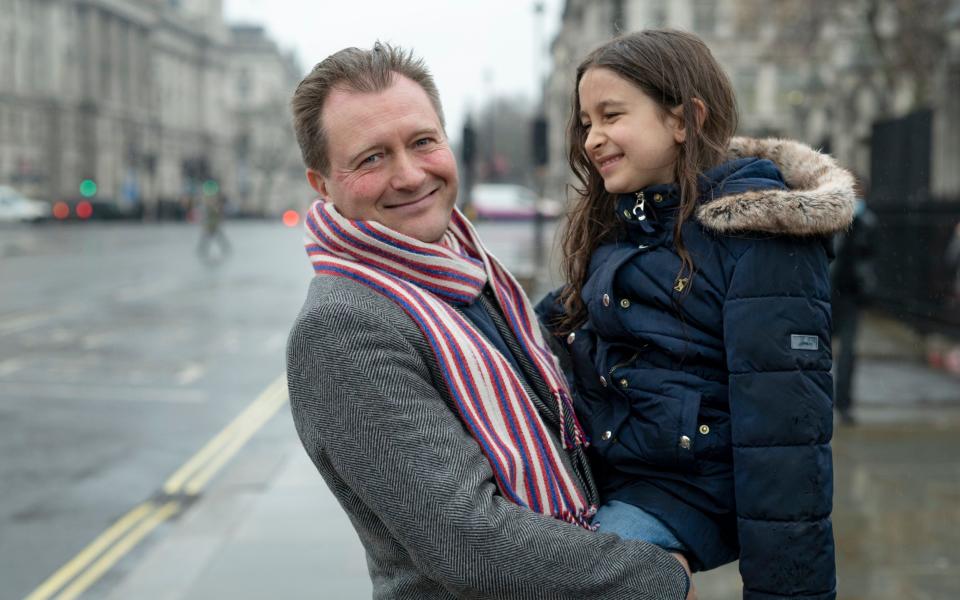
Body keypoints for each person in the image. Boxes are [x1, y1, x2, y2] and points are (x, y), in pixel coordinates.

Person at [285, 42, 690, 599]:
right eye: (371, 158)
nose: (409, 175)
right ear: (323, 184)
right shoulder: (343, 328)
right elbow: (469, 543)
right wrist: (660, 580)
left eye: (423, 142)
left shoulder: (469, 266)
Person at [536, 30, 855, 600]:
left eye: (611, 115)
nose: (593, 138)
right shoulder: (628, 225)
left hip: (689, 490)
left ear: (684, 120)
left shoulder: (759, 238)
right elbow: (559, 325)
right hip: (618, 468)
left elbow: (785, 438)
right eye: (586, 122)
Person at [830, 193, 878, 425]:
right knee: (823, 351)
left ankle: (843, 403)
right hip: (836, 294)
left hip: (845, 294)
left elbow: (867, 260)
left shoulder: (864, 222)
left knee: (845, 352)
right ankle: (838, 403)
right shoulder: (854, 220)